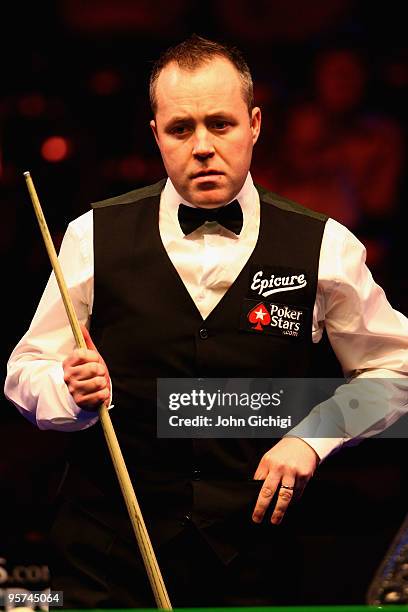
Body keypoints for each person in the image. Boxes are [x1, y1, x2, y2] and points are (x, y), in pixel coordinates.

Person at [5, 35, 408, 608]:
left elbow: (396, 368)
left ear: (255, 124)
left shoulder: (324, 246)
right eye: (181, 128)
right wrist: (65, 390)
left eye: (220, 124)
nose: (202, 147)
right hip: (109, 558)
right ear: (155, 135)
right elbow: (24, 371)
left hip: (255, 562)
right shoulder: (90, 235)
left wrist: (314, 438)